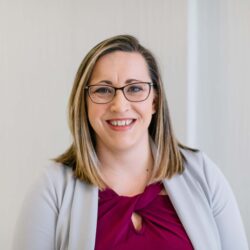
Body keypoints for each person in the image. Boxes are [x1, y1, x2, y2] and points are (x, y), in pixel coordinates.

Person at [13, 35, 249, 250]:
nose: (119, 105)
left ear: (155, 101)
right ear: (85, 103)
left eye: (135, 88)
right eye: (104, 90)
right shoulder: (52, 189)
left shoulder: (203, 174)